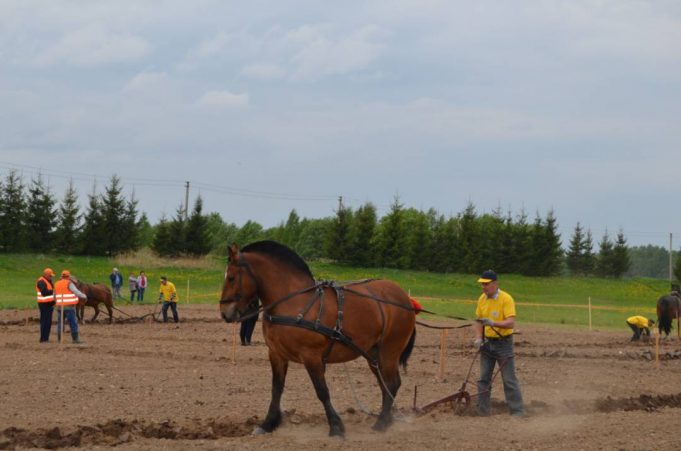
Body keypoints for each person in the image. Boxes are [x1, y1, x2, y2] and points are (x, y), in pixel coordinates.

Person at [473, 269, 524, 417]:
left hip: (503, 344)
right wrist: (478, 337)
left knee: (509, 379)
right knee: (483, 379)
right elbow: (478, 320)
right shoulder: (482, 299)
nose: (483, 287)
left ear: (495, 284)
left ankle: (517, 412)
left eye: (486, 284)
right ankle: (483, 411)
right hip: (487, 344)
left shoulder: (506, 299)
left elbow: (510, 323)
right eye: (482, 284)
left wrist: (493, 323)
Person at [54, 270, 87, 344]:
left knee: (60, 323)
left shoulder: (56, 283)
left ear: (62, 276)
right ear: (68, 277)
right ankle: (75, 339)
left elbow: (54, 295)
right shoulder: (69, 283)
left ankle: (59, 338)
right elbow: (76, 291)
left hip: (59, 306)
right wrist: (84, 296)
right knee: (73, 322)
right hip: (69, 307)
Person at [36, 268, 56, 343]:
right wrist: (53, 291)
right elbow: (44, 292)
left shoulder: (49, 281)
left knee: (48, 322)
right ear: (46, 275)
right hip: (44, 304)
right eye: (50, 276)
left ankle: (46, 338)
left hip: (49, 304)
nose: (51, 277)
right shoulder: (41, 281)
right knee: (45, 322)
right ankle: (43, 339)